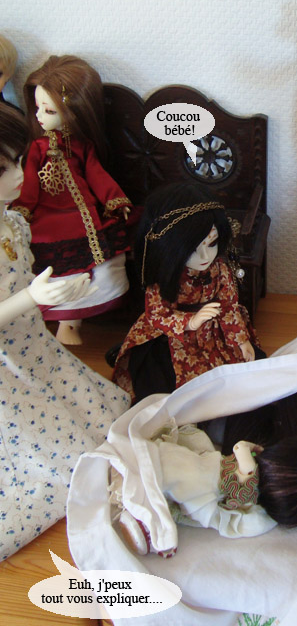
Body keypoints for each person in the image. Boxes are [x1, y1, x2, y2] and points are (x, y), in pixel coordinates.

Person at [0, 102, 130, 560]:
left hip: (33, 346)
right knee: (66, 464)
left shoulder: (12, 220)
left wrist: (52, 292)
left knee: (106, 412)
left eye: (19, 161)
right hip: (7, 371)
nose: (20, 175)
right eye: (5, 168)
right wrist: (31, 298)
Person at [13, 55, 131, 344]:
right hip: (48, 215)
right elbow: (29, 181)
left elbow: (97, 176)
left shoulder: (82, 146)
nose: (39, 116)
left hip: (83, 215)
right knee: (52, 264)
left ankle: (71, 323)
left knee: (95, 264)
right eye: (37, 108)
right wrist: (23, 209)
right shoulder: (37, 147)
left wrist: (116, 200)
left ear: (75, 112)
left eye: (48, 110)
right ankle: (55, 321)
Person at [113, 182, 262, 402]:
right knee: (162, 387)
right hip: (172, 336)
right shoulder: (165, 276)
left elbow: (229, 306)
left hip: (215, 333)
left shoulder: (219, 269)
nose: (205, 257)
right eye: (192, 249)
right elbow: (156, 314)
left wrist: (242, 341)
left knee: (244, 377)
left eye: (211, 244)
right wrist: (190, 322)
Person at [115, 425, 297, 557]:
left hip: (206, 493)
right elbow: (239, 450)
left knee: (182, 477)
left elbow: (240, 448)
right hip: (206, 472)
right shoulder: (260, 507)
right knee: (184, 461)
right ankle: (149, 495)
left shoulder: (256, 503)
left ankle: (148, 510)